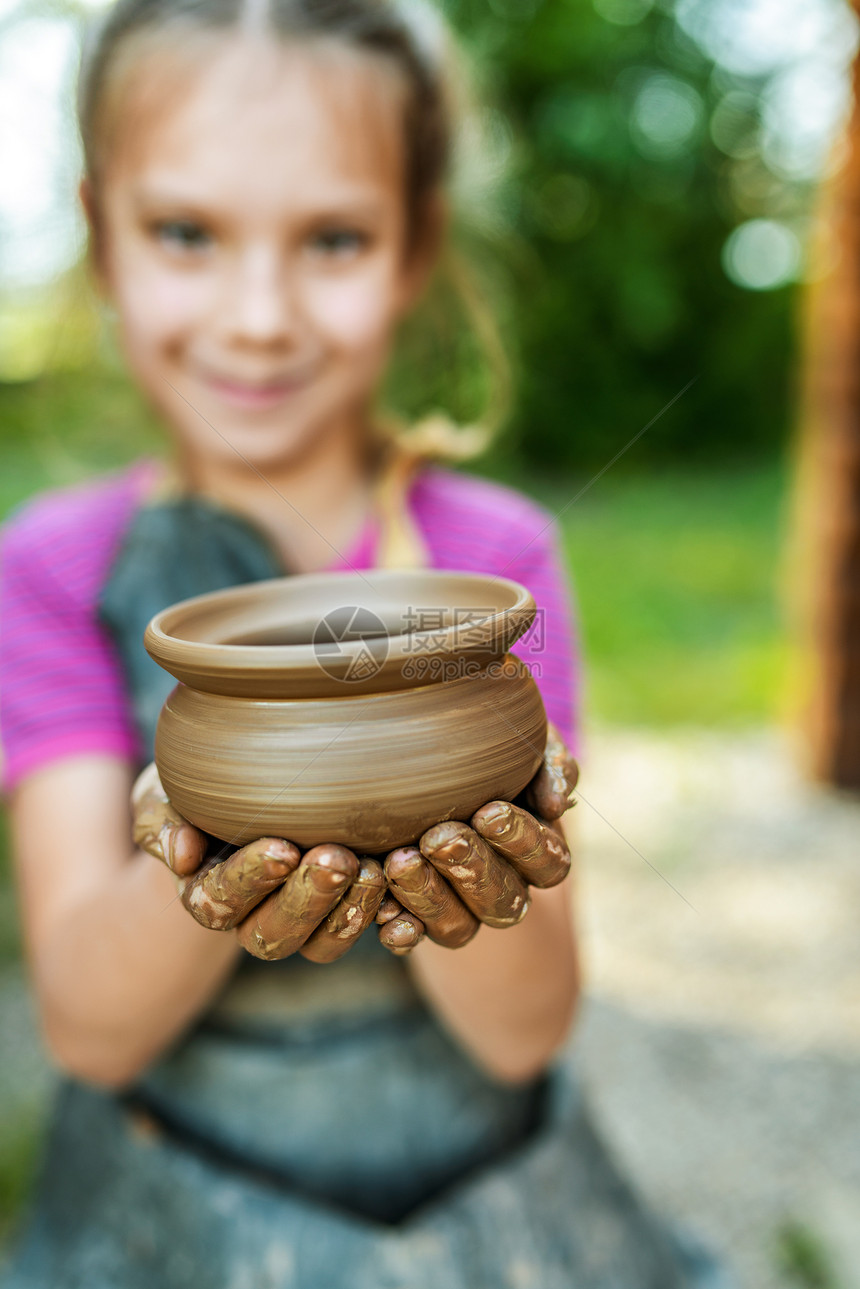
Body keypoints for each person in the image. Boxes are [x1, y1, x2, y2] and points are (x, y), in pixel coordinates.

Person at [0, 1, 737, 1284]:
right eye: (187, 233)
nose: (260, 314)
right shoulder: (54, 569)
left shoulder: (491, 562)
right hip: (170, 1214)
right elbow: (88, 1024)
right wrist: (222, 829)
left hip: (480, 1213)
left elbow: (524, 1034)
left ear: (413, 250)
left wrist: (467, 835)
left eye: (331, 239)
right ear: (102, 235)